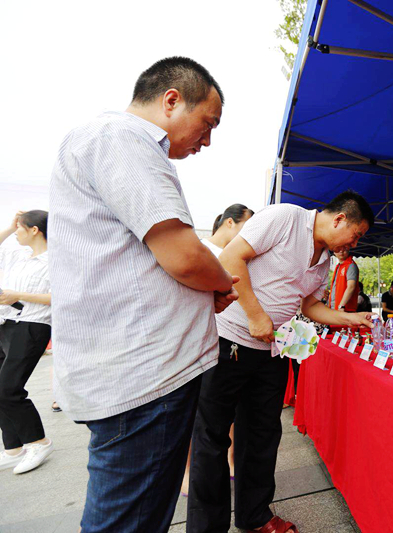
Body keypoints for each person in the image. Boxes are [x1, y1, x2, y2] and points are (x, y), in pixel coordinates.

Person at [49, 57, 239, 532]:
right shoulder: (121, 138)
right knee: (129, 521)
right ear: (172, 99)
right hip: (142, 378)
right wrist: (221, 284)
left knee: (142, 515)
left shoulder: (122, 145)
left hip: (142, 372)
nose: (207, 140)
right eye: (207, 124)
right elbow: (183, 256)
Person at [187, 190, 374, 533]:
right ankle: (205, 527)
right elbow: (231, 257)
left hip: (272, 351)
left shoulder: (325, 262)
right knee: (211, 439)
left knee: (261, 436)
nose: (354, 243)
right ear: (339, 219)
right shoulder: (284, 217)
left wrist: (349, 319)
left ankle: (254, 515)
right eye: (356, 234)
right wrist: (256, 315)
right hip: (229, 342)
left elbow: (308, 306)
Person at [180, 204, 254, 496]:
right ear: (230, 223)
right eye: (249, 225)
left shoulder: (244, 257)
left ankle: (230, 460)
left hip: (229, 343)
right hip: (197, 341)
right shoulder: (201, 250)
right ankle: (186, 471)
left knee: (230, 409)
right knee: (195, 412)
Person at [0, 211, 54, 474]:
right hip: (5, 325)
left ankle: (39, 442)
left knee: (8, 388)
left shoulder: (55, 260)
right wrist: (10, 228)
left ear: (35, 230)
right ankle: (13, 448)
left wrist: (17, 295)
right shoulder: (19, 256)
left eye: (20, 228)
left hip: (33, 325)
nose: (17, 232)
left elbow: (59, 297)